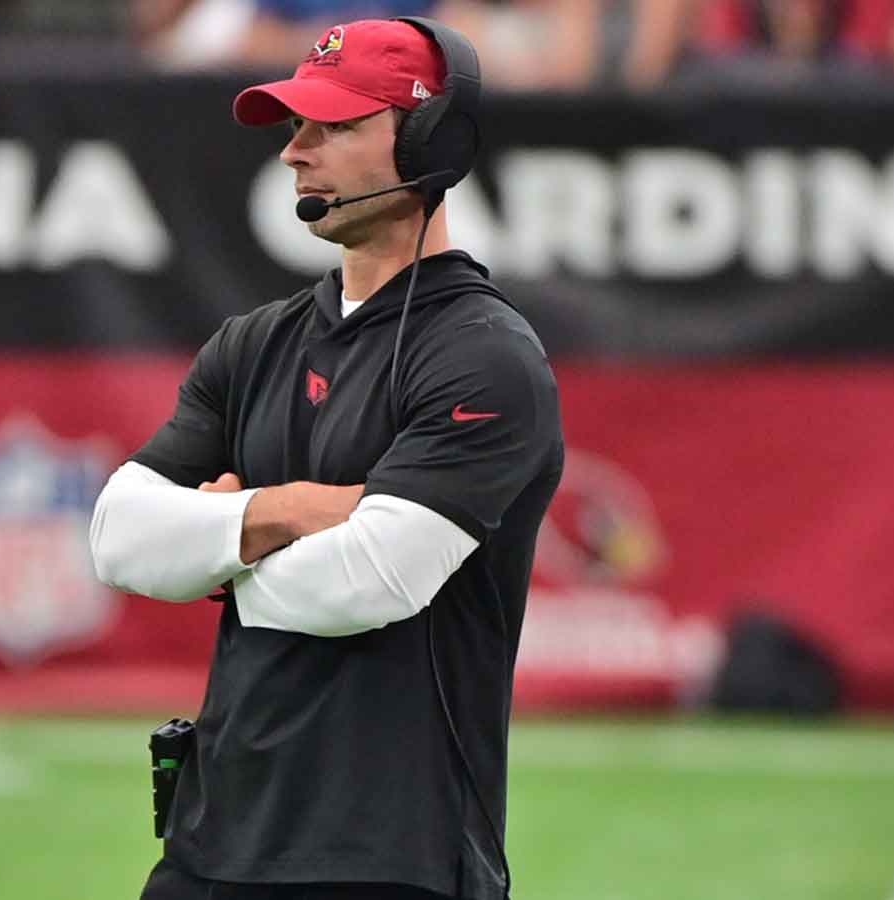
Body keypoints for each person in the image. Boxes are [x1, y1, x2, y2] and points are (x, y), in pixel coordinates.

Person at [89, 16, 564, 900]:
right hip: (208, 848)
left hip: (392, 862)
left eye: (334, 125)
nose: (295, 153)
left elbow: (366, 583)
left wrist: (213, 549)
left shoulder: (486, 357)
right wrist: (288, 509)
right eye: (294, 126)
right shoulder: (251, 344)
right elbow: (118, 539)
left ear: (431, 139)